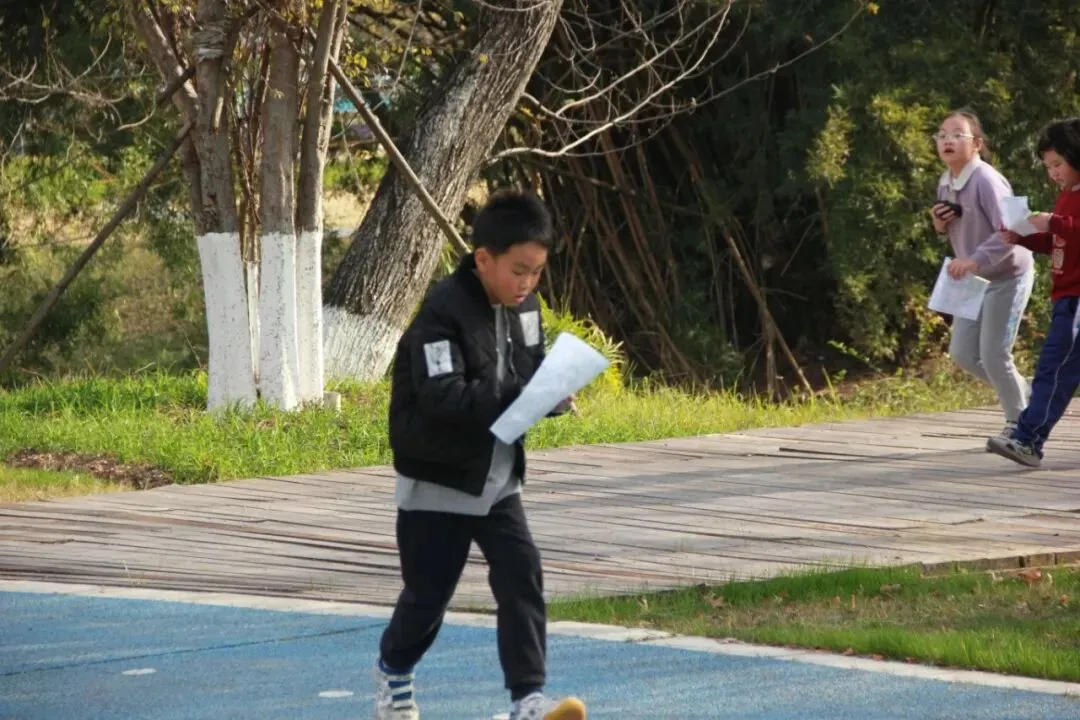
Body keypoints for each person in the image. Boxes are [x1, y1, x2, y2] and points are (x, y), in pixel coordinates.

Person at [374, 190, 586, 720]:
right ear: (483, 259)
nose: (528, 283)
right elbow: (441, 397)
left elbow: (528, 372)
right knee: (427, 598)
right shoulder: (440, 313)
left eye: (537, 272)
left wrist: (552, 396)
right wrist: (519, 394)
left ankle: (528, 700)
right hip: (438, 482)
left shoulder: (526, 307)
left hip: (496, 480)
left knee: (522, 575)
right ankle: (394, 671)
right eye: (518, 271)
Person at [930, 110, 1034, 437]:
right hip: (973, 278)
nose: (946, 140)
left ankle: (1019, 425)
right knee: (962, 353)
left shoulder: (987, 180)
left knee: (993, 355)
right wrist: (939, 224)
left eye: (956, 135)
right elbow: (953, 230)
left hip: (1008, 274)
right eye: (941, 135)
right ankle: (1025, 391)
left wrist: (974, 260)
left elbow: (1016, 227)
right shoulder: (945, 181)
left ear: (976, 144)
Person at [987, 118, 1080, 467]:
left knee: (1053, 370)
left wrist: (1053, 222)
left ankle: (1027, 439)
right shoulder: (1066, 197)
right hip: (1065, 297)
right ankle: (1027, 438)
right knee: (1057, 371)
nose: (1053, 173)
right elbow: (1061, 242)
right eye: (1048, 167)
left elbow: (1070, 230)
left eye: (1058, 164)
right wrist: (1024, 237)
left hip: (1076, 301)